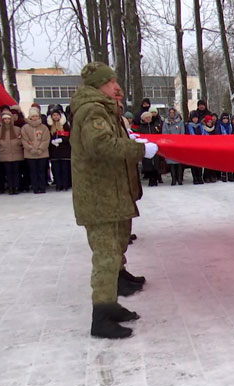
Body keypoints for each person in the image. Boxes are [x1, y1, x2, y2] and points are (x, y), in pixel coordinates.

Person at [69, 62, 158, 338]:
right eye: (110, 82)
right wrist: (140, 150)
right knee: (106, 258)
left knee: (112, 253)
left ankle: (110, 305)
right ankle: (101, 318)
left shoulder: (104, 109)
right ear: (98, 86)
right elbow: (102, 145)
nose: (116, 87)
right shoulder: (93, 110)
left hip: (111, 194)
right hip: (100, 198)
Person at [0, 111, 23, 194]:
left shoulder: (17, 129)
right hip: (4, 153)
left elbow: (21, 138)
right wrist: (0, 143)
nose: (7, 120)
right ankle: (10, 187)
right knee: (8, 172)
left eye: (8, 119)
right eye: (5, 119)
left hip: (16, 153)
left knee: (16, 172)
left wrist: (18, 142)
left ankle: (16, 187)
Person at [48, 106, 72, 191]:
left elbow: (69, 136)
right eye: (54, 115)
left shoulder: (65, 125)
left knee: (65, 169)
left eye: (57, 115)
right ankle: (58, 184)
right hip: (54, 151)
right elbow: (47, 136)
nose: (55, 117)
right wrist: (51, 141)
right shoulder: (49, 126)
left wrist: (61, 139)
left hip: (64, 151)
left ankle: (65, 185)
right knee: (56, 170)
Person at [162, 108, 185, 185]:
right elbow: (164, 133)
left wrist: (179, 141)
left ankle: (180, 179)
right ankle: (173, 179)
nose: (172, 114)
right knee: (171, 163)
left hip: (178, 145)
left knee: (179, 163)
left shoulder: (180, 122)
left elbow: (182, 133)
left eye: (173, 112)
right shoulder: (166, 123)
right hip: (170, 145)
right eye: (170, 112)